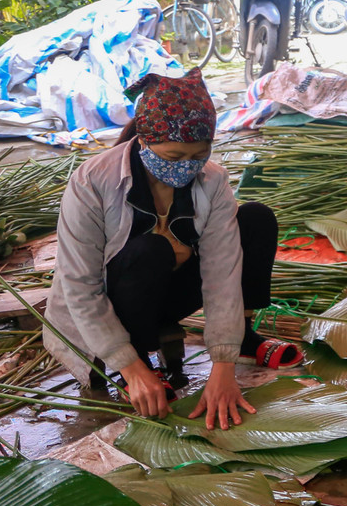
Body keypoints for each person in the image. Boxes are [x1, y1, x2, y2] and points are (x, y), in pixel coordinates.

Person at [44, 67, 299, 429]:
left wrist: (223, 366)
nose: (187, 168)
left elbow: (222, 272)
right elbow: (80, 287)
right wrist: (129, 367)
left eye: (199, 155)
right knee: (151, 249)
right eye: (174, 157)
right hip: (110, 307)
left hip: (167, 293)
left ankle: (244, 339)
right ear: (144, 142)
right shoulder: (92, 181)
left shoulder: (212, 180)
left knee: (255, 218)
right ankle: (139, 363)